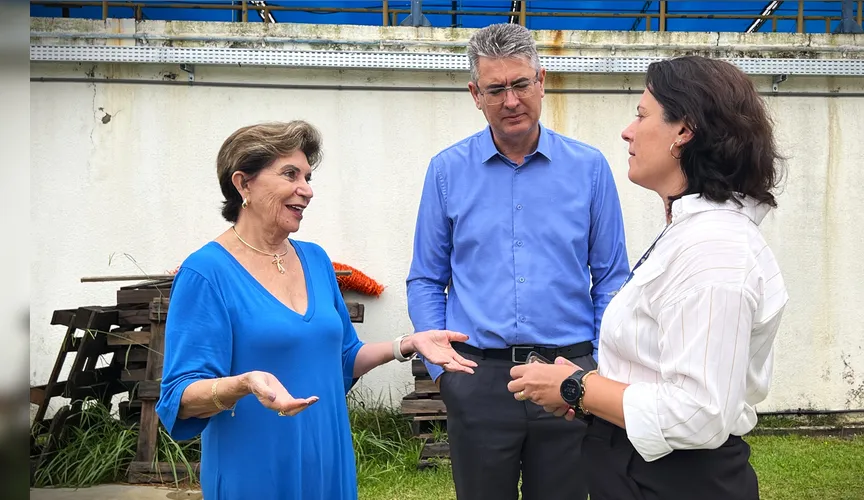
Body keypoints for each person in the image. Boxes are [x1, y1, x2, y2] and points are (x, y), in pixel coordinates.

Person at [506, 55, 790, 500]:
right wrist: (589, 389)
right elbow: (660, 367)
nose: (628, 131)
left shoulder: (713, 250)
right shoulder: (690, 232)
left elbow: (699, 413)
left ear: (684, 131)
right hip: (638, 467)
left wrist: (576, 386)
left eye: (641, 115)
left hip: (675, 480)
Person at [155, 120, 477, 500]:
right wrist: (244, 383)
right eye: (290, 174)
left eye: (307, 177)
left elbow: (344, 358)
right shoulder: (206, 272)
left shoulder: (316, 260)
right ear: (243, 184)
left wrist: (406, 343)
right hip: (255, 468)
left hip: (328, 458)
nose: (306, 190)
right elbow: (180, 395)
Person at [406, 22, 631, 500]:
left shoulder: (589, 169)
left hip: (569, 374)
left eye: (521, 84)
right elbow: (426, 277)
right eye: (496, 89)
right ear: (475, 93)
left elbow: (611, 277)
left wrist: (594, 364)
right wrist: (446, 373)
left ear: (541, 81)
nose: (511, 100)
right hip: (478, 380)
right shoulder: (446, 171)